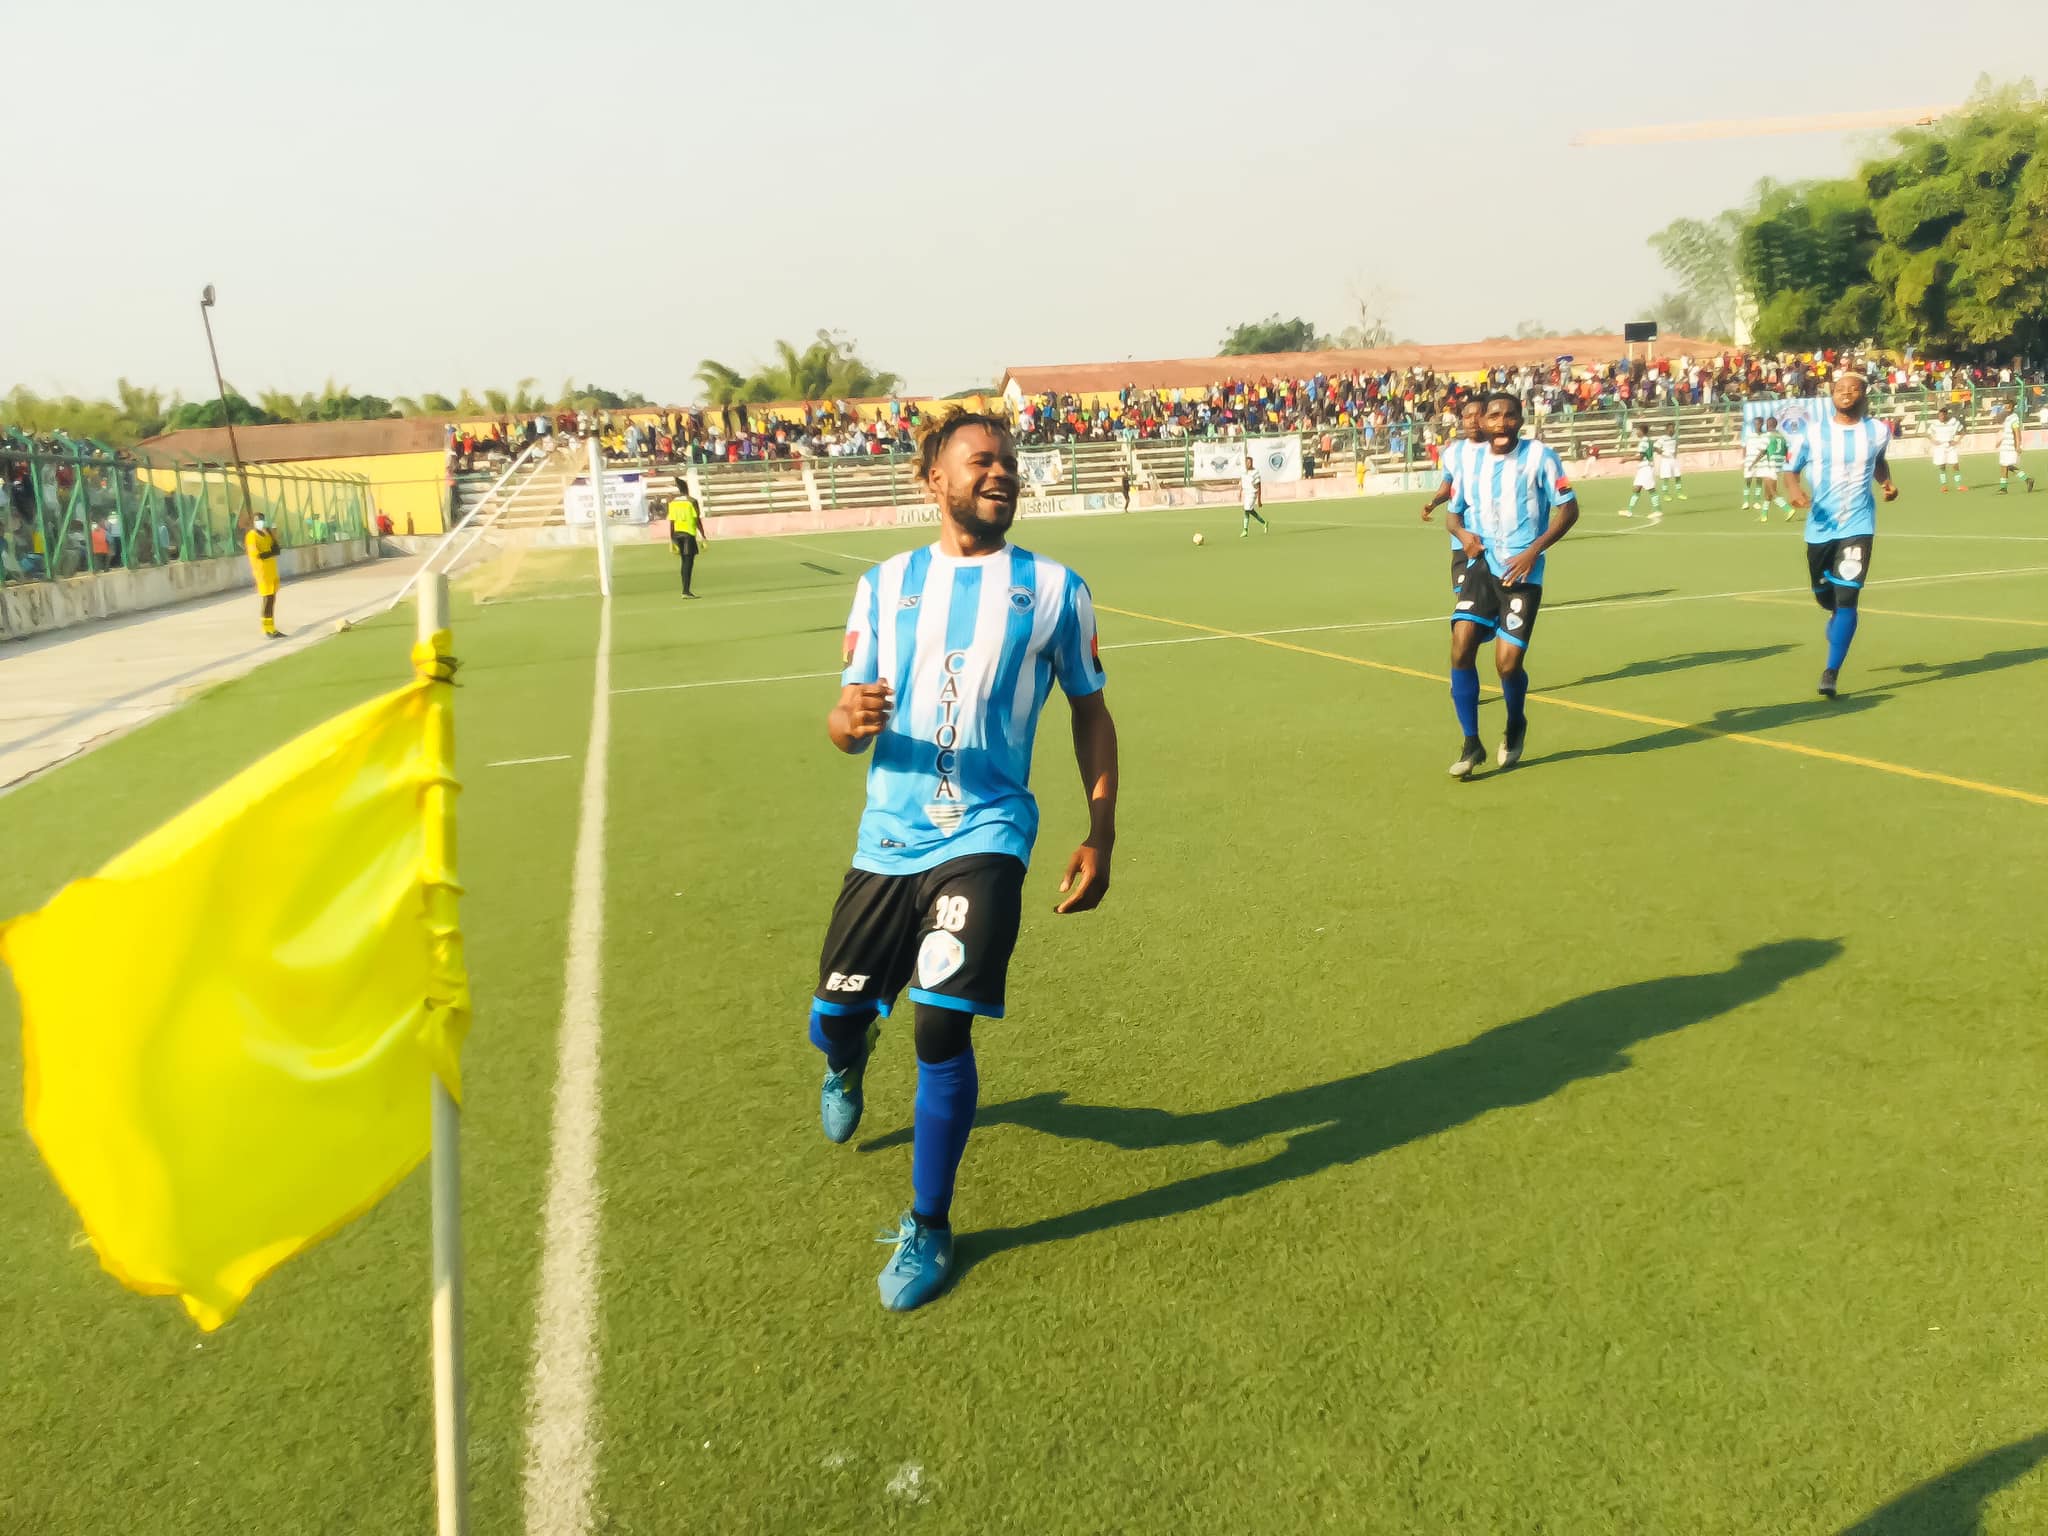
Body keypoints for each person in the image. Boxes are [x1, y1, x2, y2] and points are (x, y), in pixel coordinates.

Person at [806, 409, 1119, 1313]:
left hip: (987, 834)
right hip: (888, 842)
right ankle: (844, 1054)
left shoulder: (1057, 589)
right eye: (982, 461)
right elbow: (842, 717)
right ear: (931, 479)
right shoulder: (882, 585)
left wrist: (1100, 832)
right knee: (834, 1014)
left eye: (1010, 463)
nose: (1002, 473)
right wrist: (844, 725)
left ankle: (930, 1223)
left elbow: (1090, 710)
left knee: (941, 1025)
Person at [1444, 392, 1579, 778]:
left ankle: (1515, 721)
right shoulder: (1470, 465)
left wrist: (1533, 551)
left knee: (1507, 665)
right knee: (1461, 644)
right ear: (1482, 422)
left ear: (1520, 420)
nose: (1501, 422)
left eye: (1509, 415)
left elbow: (1569, 509)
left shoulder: (1540, 457)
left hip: (1522, 573)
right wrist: (1465, 536)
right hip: (1482, 567)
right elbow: (1453, 518)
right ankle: (1471, 743)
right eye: (1494, 415)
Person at [1781, 372, 1896, 698]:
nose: (1845, 392)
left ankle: (1831, 672)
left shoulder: (1878, 431)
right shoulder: (1812, 433)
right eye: (1840, 388)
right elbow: (1791, 470)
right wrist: (1795, 491)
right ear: (1832, 394)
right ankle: (1832, 613)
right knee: (1825, 598)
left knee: (1848, 598)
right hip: (1820, 528)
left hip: (1858, 527)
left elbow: (1878, 461)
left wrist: (1886, 483)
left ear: (1863, 394)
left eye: (1853, 388)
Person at [1420, 397, 1487, 593]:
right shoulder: (1453, 453)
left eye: (1478, 415)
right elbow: (1447, 486)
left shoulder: (1499, 450)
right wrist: (1433, 503)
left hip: (1491, 534)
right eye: (1468, 416)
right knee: (1463, 593)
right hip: (1461, 535)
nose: (1473, 421)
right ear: (1462, 421)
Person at [245, 513, 283, 639]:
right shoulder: (252, 536)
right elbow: (258, 555)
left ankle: (272, 627)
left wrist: (272, 534)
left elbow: (277, 549)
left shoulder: (266, 534)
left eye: (261, 520)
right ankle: (266, 628)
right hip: (261, 572)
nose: (259, 522)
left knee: (272, 599)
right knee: (267, 599)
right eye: (257, 520)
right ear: (253, 522)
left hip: (271, 570)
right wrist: (270, 552)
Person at [669, 489, 705, 597]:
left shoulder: (673, 503)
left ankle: (685, 589)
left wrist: (671, 538)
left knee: (684, 562)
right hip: (688, 534)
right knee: (688, 563)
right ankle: (686, 591)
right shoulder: (691, 502)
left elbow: (672, 521)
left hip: (677, 534)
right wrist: (703, 534)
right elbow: (696, 519)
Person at [1622, 425, 1661, 518]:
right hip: (1645, 468)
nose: (1636, 432)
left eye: (1638, 431)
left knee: (1651, 489)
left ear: (1642, 431)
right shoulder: (1649, 441)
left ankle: (1658, 510)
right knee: (1636, 488)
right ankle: (1629, 511)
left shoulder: (1643, 442)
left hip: (1646, 468)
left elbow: (1640, 457)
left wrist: (1627, 459)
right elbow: (1656, 448)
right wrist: (1658, 451)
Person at [1996, 406, 2035, 494]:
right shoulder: (2007, 419)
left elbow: (2017, 432)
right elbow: (2005, 432)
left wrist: (2018, 446)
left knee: (2006, 466)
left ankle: (2004, 488)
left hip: (2010, 446)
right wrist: (2000, 441)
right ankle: (2027, 480)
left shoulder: (2014, 418)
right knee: (2006, 466)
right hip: (2005, 445)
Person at [1927, 405, 1965, 493]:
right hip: (1940, 447)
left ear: (1946, 415)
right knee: (1942, 467)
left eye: (1943, 415)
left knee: (1955, 465)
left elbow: (1963, 432)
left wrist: (1957, 441)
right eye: (1940, 416)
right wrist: (1933, 441)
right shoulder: (1935, 423)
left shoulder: (1953, 422)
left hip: (1951, 446)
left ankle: (1959, 485)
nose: (1941, 417)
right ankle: (1944, 486)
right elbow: (1928, 433)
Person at [1763, 416, 1794, 519]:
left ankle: (1788, 509)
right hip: (1779, 463)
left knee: (1772, 490)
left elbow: (1763, 451)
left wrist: (1753, 463)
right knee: (1767, 489)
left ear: (1768, 424)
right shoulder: (1781, 436)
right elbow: (1787, 451)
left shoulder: (1767, 435)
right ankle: (1764, 515)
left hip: (1771, 463)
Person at [1741, 426, 1771, 519]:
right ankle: (1746, 501)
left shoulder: (1765, 436)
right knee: (1748, 480)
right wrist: (1744, 459)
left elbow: (1766, 449)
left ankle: (1756, 501)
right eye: (1756, 423)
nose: (1757, 425)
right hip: (1750, 459)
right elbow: (1744, 447)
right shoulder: (1749, 436)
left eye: (1759, 423)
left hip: (1761, 460)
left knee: (1759, 480)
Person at [1239, 454, 1269, 537]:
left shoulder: (1255, 472)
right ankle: (1264, 522)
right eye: (1247, 462)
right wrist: (1240, 492)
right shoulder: (1243, 472)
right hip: (1246, 493)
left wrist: (1259, 499)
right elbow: (1242, 482)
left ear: (1252, 463)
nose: (1248, 464)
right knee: (1248, 510)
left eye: (1250, 462)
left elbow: (1259, 486)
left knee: (1247, 509)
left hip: (1253, 493)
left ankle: (1245, 530)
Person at [1656, 428, 1686, 500]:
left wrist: (1675, 452)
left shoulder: (1675, 437)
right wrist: (1663, 452)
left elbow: (1676, 445)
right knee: (1666, 477)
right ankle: (1665, 494)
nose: (1671, 430)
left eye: (1672, 428)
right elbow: (1655, 448)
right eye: (1670, 429)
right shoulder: (1662, 438)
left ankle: (1679, 493)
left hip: (1673, 459)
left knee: (1678, 476)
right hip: (1666, 460)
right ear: (1667, 430)